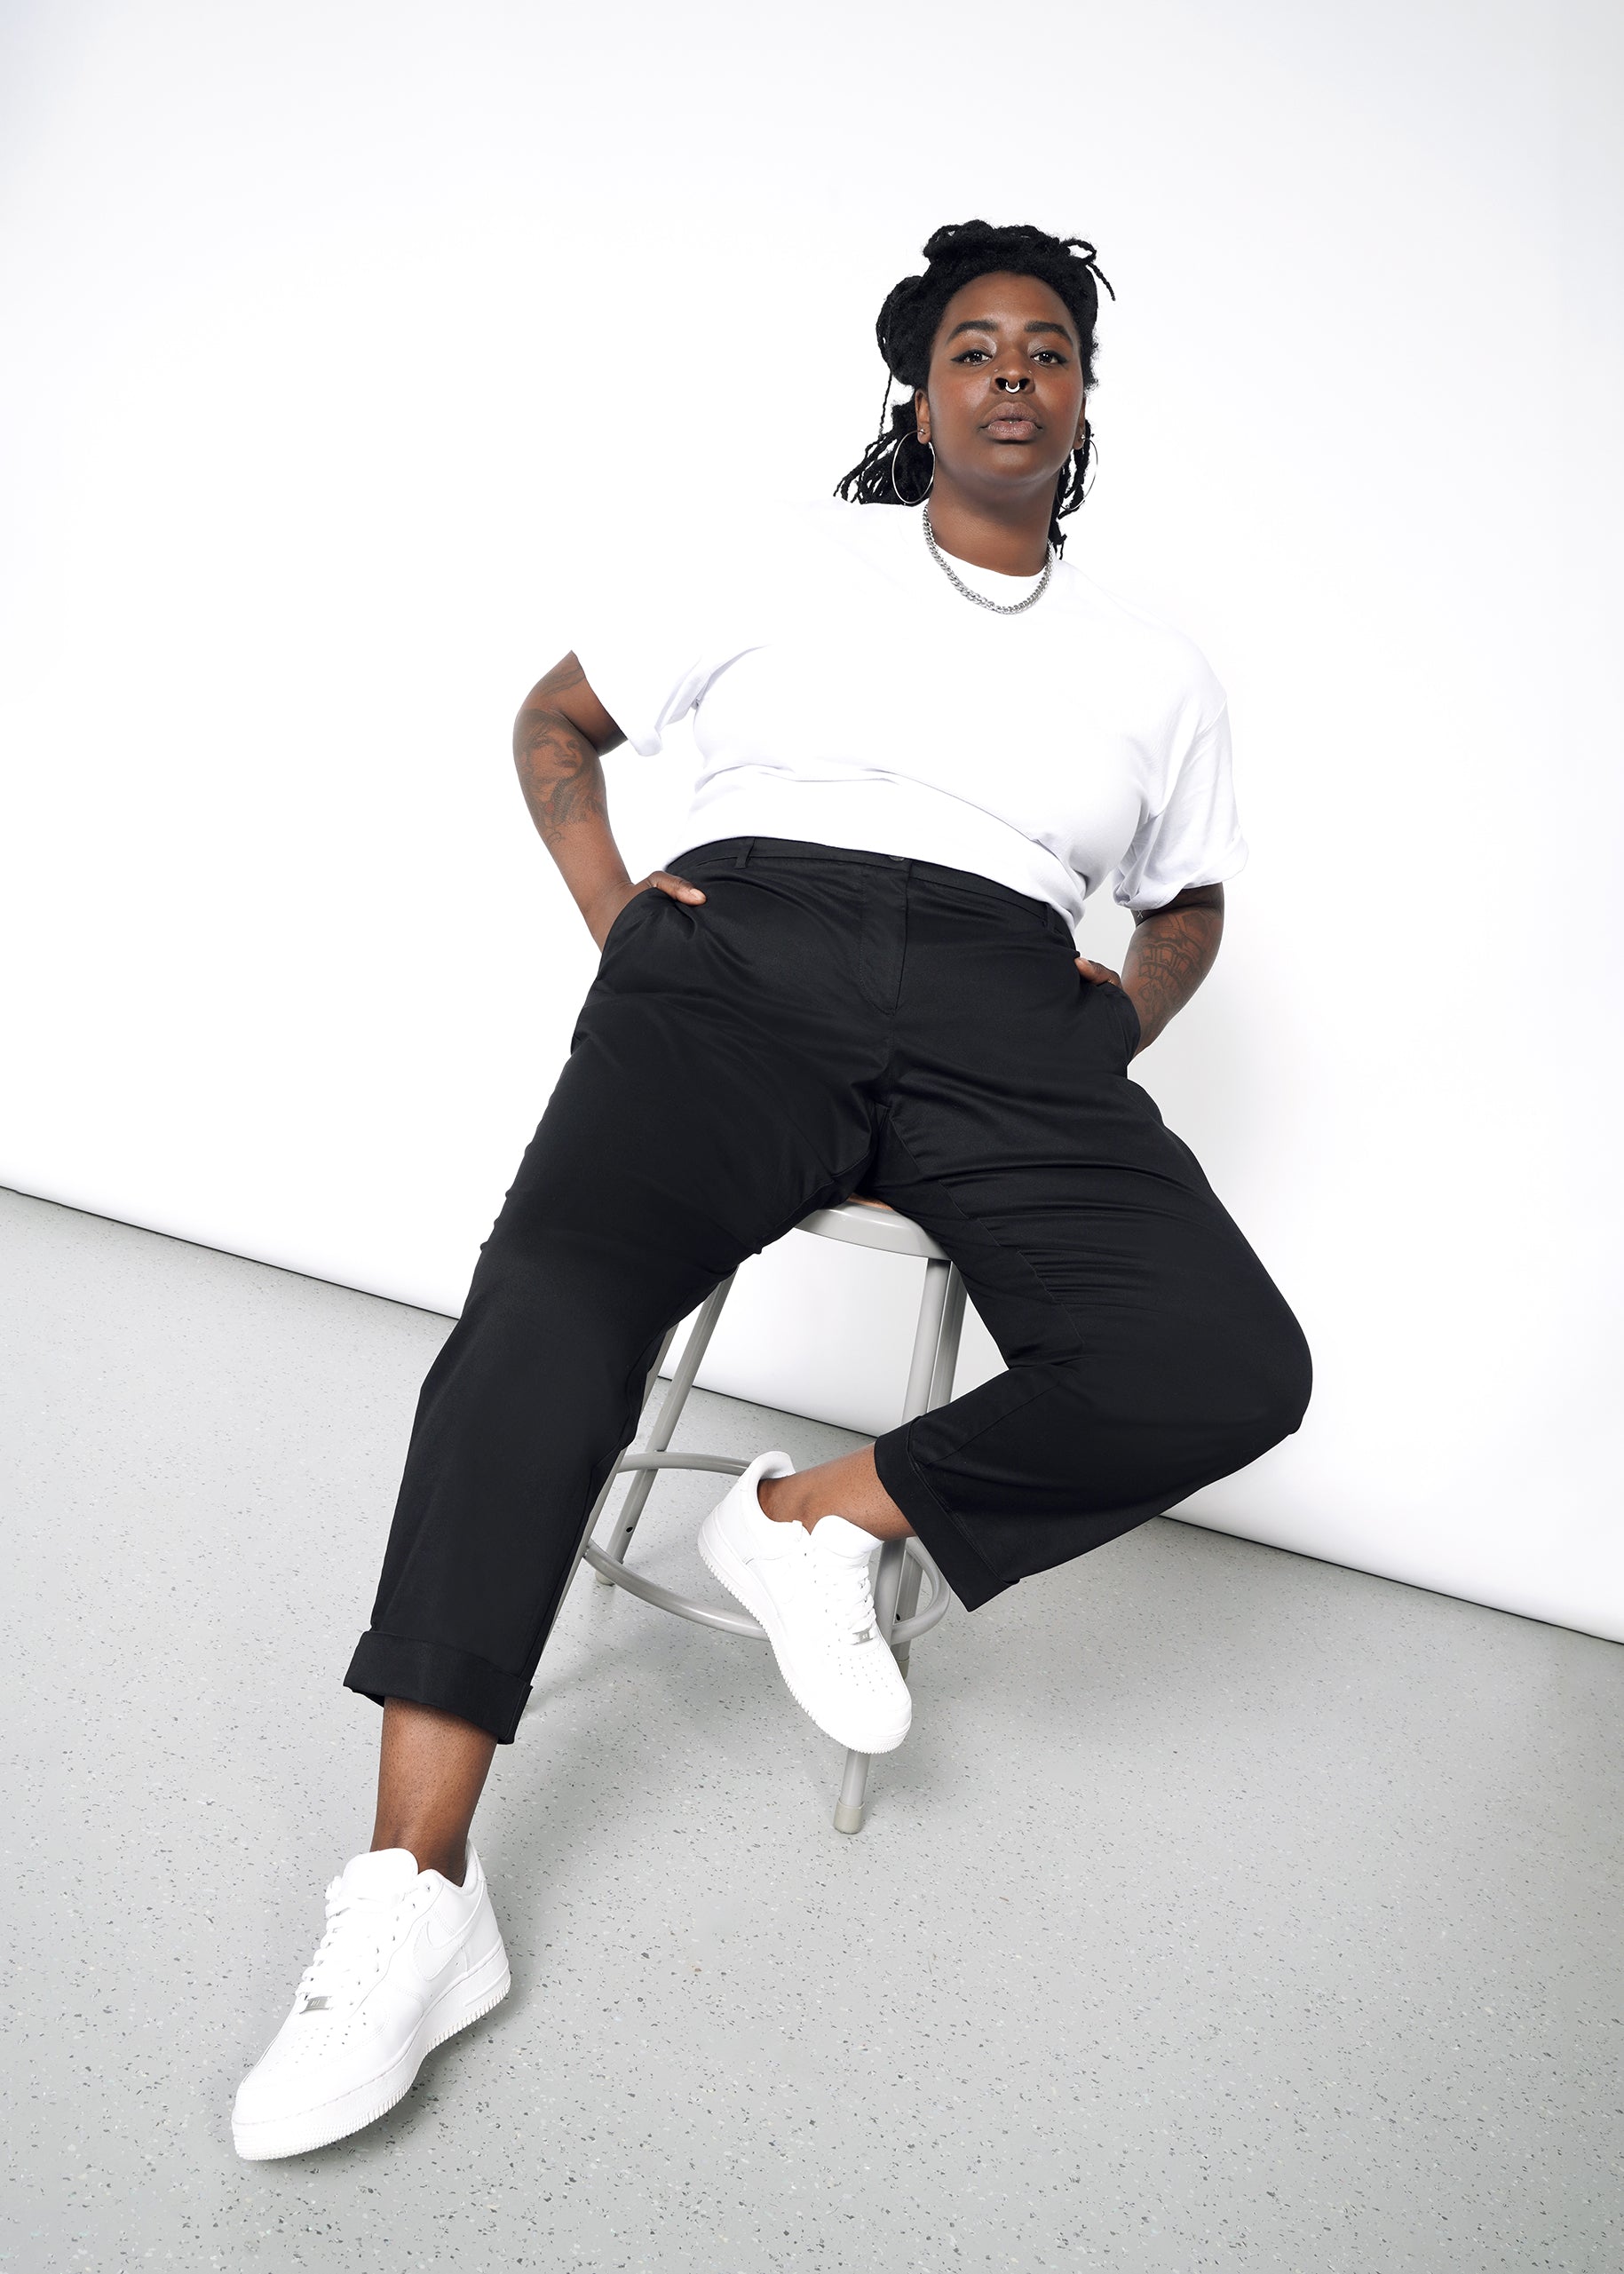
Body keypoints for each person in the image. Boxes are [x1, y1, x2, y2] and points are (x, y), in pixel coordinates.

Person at [232, 218, 1312, 2160]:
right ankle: (414, 1894)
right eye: (973, 345)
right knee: (543, 1324)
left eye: (1048, 348)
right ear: (919, 392)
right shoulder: (786, 558)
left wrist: (1111, 1020)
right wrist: (616, 912)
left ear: (1081, 405)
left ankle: (818, 1517)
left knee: (1229, 1362)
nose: (1011, 372)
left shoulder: (1158, 668)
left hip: (1008, 1004)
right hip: (744, 964)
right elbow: (556, 721)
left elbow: (1197, 899)